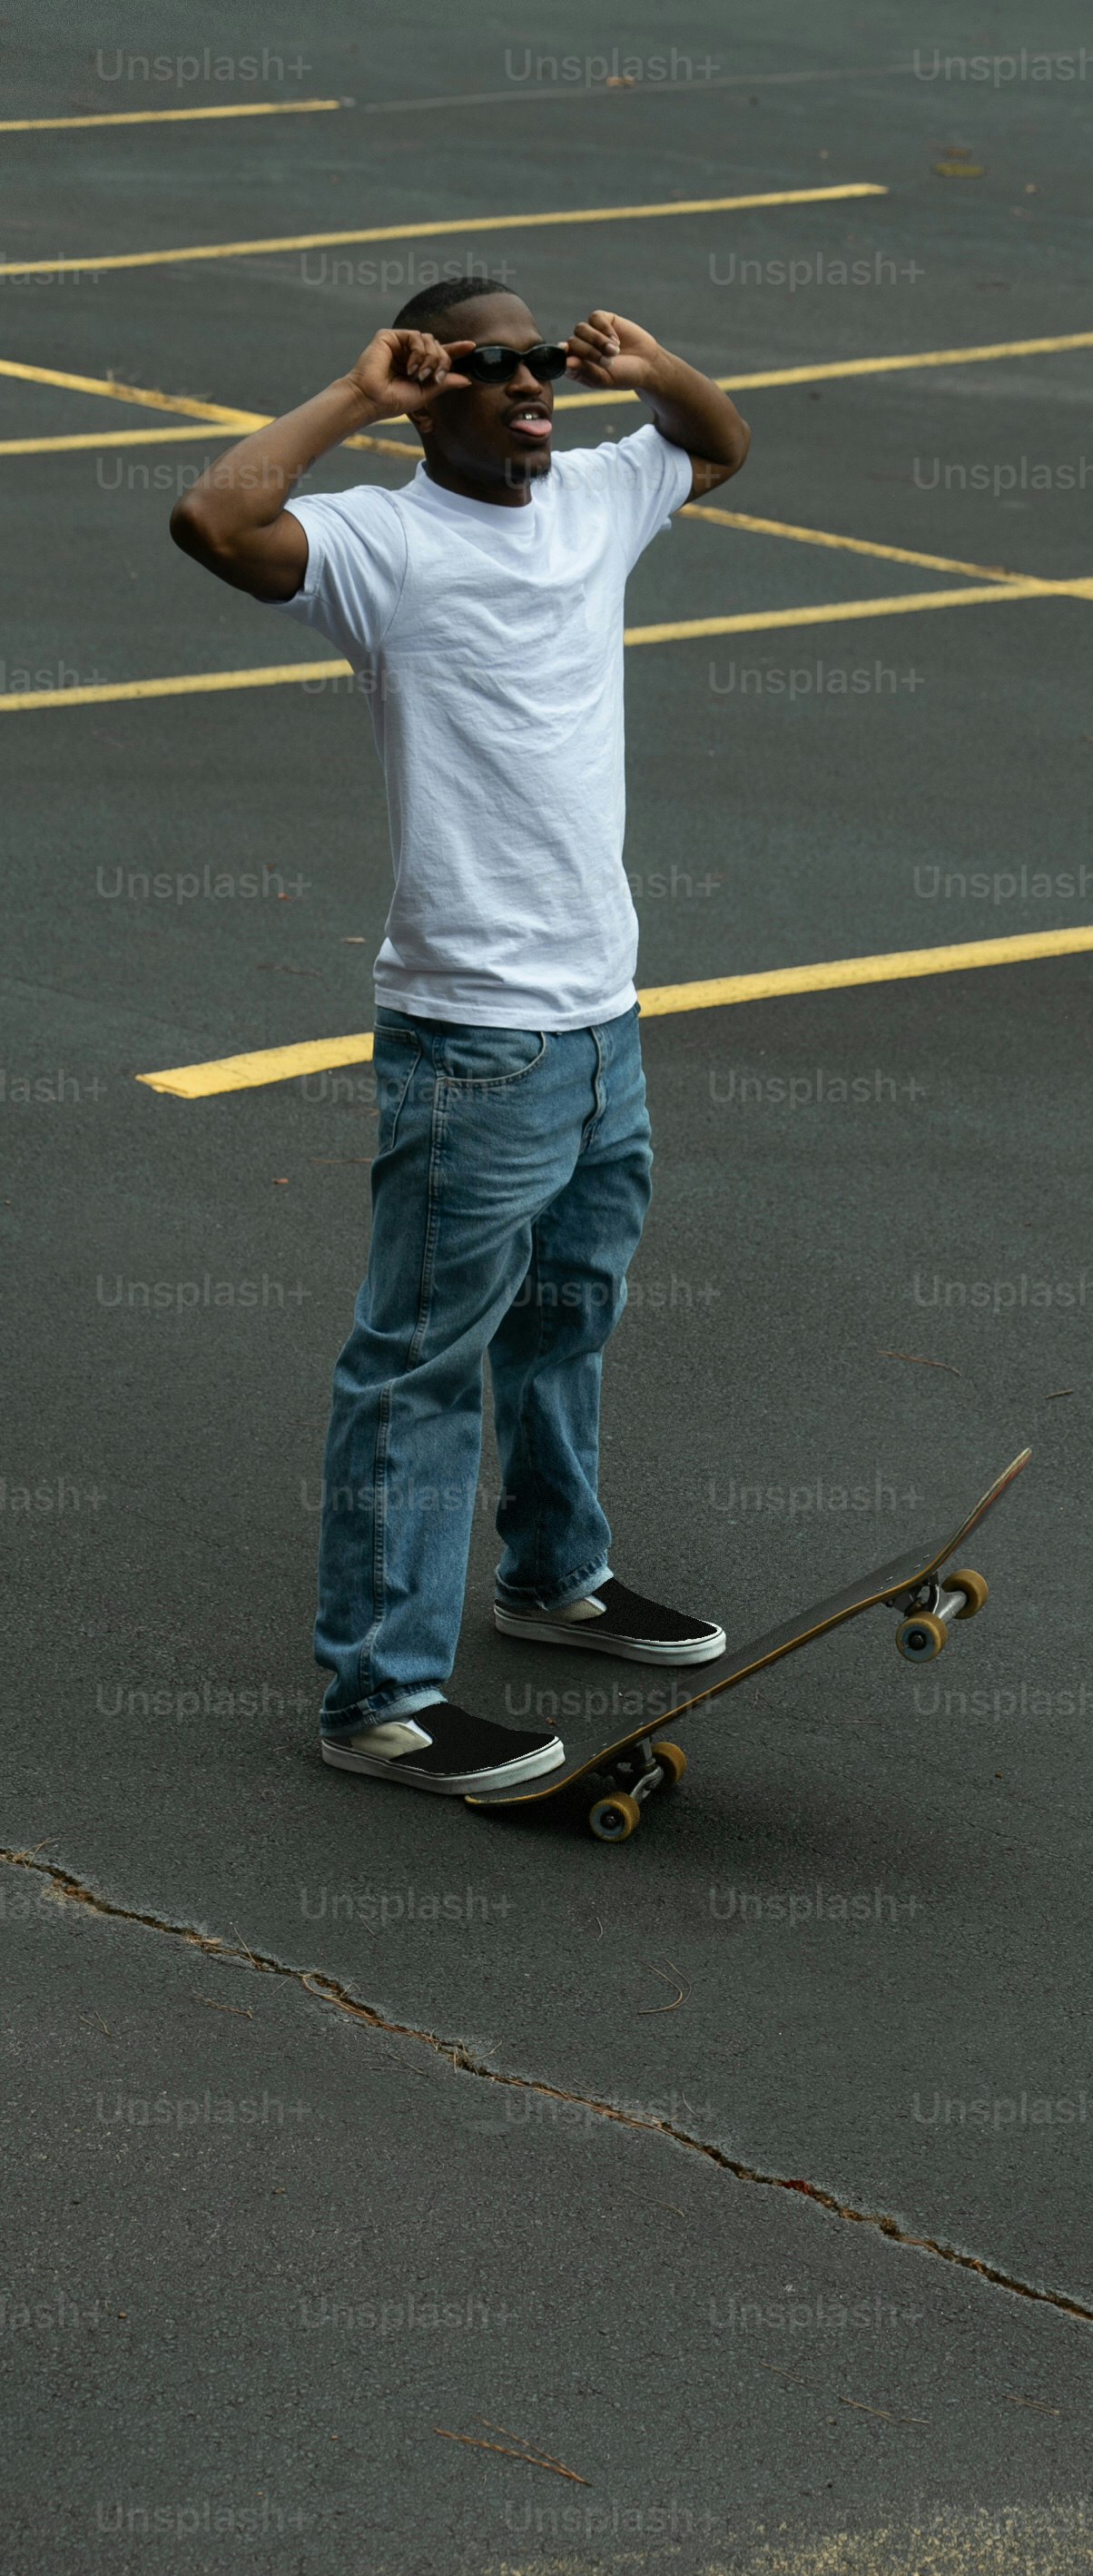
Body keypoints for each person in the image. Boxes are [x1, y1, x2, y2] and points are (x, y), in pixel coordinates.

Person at [170, 277, 751, 1794]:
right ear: (434, 394)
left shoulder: (598, 498)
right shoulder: (383, 542)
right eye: (494, 367)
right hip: (471, 1036)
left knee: (568, 1317)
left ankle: (552, 1580)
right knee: (417, 1366)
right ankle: (380, 1704)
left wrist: (656, 360)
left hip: (601, 1014)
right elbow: (216, 521)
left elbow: (722, 443)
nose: (534, 385)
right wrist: (351, 398)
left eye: (546, 360)